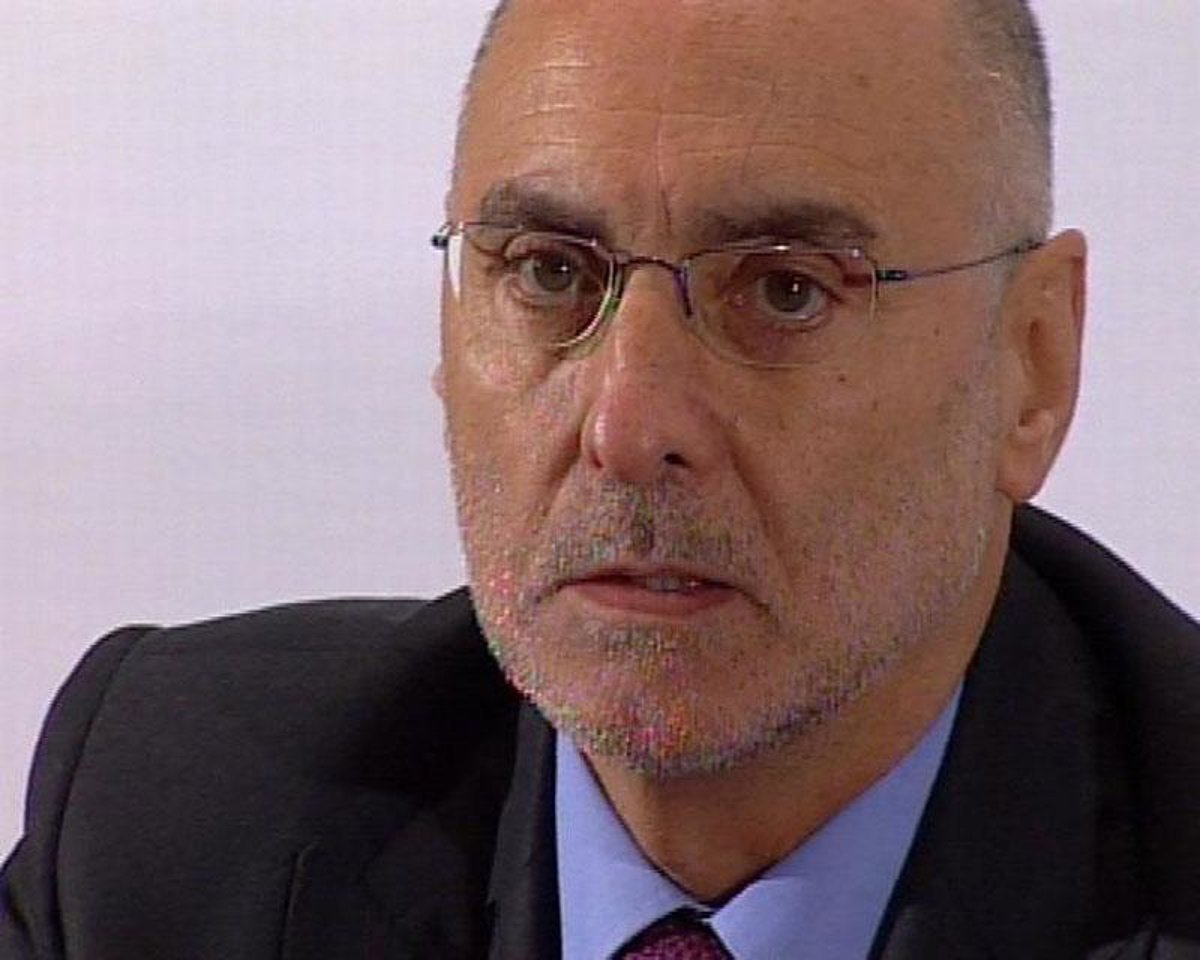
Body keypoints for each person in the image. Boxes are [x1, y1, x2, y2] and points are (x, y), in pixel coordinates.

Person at [2, 0, 1197, 957]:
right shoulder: (174, 820)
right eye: (549, 273)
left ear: (1033, 364)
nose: (627, 428)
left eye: (786, 289)